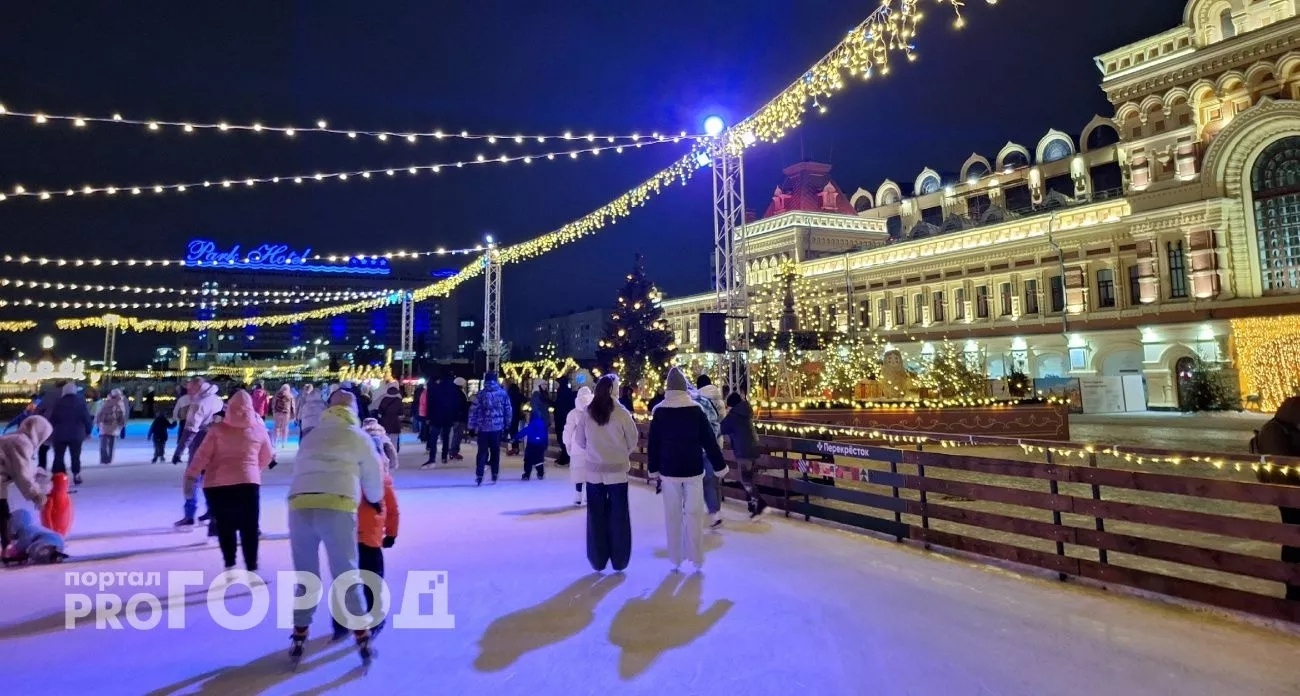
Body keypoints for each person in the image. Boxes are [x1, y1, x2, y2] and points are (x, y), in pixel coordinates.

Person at [286, 390, 385, 666]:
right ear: (353, 410)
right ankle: (362, 635)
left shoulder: (312, 435)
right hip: (338, 505)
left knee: (307, 575)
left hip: (300, 504)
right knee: (346, 573)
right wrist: (375, 501)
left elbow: (299, 469)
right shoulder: (359, 437)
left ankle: (299, 633)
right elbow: (374, 480)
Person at [185, 390, 274, 580]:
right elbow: (267, 456)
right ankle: (252, 568)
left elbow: (202, 456)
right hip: (248, 483)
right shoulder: (259, 429)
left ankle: (230, 565)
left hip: (217, 485)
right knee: (249, 527)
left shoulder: (217, 431)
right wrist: (252, 470)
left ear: (229, 408)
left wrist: (191, 476)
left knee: (226, 526)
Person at [647, 367, 727, 572]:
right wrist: (720, 466)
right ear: (684, 389)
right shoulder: (695, 411)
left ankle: (675, 557)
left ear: (668, 389)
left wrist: (653, 469)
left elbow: (653, 444)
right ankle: (697, 557)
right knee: (694, 513)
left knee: (672, 515)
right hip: (693, 469)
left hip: (669, 471)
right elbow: (709, 441)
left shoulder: (660, 412)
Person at [332, 418, 401, 639]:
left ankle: (342, 621)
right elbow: (393, 510)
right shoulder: (382, 479)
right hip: (370, 538)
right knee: (372, 580)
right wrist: (390, 534)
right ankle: (375, 617)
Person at [575, 375, 639, 571]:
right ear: (614, 390)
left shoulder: (588, 413)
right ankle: (620, 559)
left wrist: (595, 453)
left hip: (594, 472)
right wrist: (620, 454)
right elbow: (633, 440)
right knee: (618, 516)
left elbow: (580, 441)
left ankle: (597, 558)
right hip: (618, 473)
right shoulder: (622, 414)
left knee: (596, 516)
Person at [1253, 395, 1300, 600]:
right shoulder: (1275, 431)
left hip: (1291, 494)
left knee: (1293, 539)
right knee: (1294, 539)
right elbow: (1284, 467)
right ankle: (1294, 590)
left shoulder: (1285, 428)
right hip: (1290, 496)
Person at [0, 415, 52, 552]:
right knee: (2, 513)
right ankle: (8, 546)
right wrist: (36, 494)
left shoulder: (16, 439)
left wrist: (36, 471)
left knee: (3, 512)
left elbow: (19, 467)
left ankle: (7, 546)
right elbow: (22, 474)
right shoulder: (21, 443)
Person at [720, 391, 766, 518]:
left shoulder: (734, 416)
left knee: (746, 480)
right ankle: (753, 506)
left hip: (743, 452)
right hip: (753, 449)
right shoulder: (745, 412)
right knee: (749, 478)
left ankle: (760, 503)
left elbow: (720, 428)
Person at [692, 375, 726, 529]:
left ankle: (698, 511)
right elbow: (721, 421)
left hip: (700, 445)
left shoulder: (698, 400)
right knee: (713, 479)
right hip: (716, 444)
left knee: (699, 481)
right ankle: (715, 512)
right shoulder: (719, 399)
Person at [468, 371, 512, 486]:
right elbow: (508, 410)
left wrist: (471, 427)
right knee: (495, 451)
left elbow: (473, 411)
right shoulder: (503, 394)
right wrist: (507, 426)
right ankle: (495, 473)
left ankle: (479, 474)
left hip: (483, 428)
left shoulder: (480, 394)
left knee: (482, 452)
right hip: (497, 428)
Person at [49, 383, 93, 486]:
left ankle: (59, 476)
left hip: (59, 434)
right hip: (76, 435)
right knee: (75, 455)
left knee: (59, 456)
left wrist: (49, 432)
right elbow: (86, 418)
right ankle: (76, 474)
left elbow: (52, 419)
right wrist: (88, 431)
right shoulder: (80, 403)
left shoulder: (58, 403)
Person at [423, 371, 464, 468]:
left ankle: (432, 458)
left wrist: (428, 416)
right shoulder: (453, 390)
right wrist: (454, 416)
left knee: (434, 437)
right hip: (448, 417)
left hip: (436, 416)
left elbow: (430, 403)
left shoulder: (435, 388)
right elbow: (456, 405)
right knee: (446, 437)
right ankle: (444, 456)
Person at [563, 386, 594, 506]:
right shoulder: (594, 412)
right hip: (591, 445)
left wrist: (567, 443)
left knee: (578, 470)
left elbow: (568, 429)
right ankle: (588, 495)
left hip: (577, 445)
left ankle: (578, 495)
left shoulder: (573, 413)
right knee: (591, 471)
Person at [518, 385, 551, 481]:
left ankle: (532, 472)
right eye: (543, 384)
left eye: (546, 384)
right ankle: (533, 472)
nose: (545, 386)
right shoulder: (537, 394)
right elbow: (536, 408)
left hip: (540, 425)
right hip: (538, 425)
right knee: (535, 449)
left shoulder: (543, 394)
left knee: (535, 449)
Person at [94, 389, 128, 465]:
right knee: (108, 445)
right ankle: (106, 459)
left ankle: (106, 459)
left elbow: (99, 414)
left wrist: (98, 423)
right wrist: (122, 426)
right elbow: (100, 414)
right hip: (109, 426)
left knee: (106, 445)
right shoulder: (114, 403)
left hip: (109, 427)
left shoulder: (111, 403)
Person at [552, 376, 576, 466]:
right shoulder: (564, 390)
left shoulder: (563, 391)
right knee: (561, 438)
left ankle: (565, 457)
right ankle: (564, 456)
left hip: (562, 418)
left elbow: (560, 404)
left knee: (562, 438)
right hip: (562, 417)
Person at [376, 383, 404, 454]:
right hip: (395, 424)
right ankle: (393, 455)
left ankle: (386, 454)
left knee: (385, 440)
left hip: (385, 424)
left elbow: (379, 414)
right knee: (394, 441)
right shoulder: (399, 400)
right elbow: (401, 414)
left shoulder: (384, 399)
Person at [170, 384, 191, 464]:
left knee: (182, 438)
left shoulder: (181, 399)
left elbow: (175, 410)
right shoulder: (194, 397)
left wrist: (175, 419)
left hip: (183, 421)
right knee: (192, 438)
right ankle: (191, 454)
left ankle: (178, 455)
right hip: (193, 420)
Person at [271, 384, 296, 449]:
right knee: (285, 428)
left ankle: (275, 442)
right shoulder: (290, 395)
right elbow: (292, 406)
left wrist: (274, 411)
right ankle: (283, 443)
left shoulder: (277, 394)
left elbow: (274, 403)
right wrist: (293, 415)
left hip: (277, 412)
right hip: (286, 413)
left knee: (277, 427)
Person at [505, 380, 526, 456]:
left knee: (510, 432)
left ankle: (513, 448)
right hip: (515, 416)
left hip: (509, 416)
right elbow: (525, 399)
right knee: (515, 432)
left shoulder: (508, 395)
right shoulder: (517, 394)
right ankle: (515, 448)